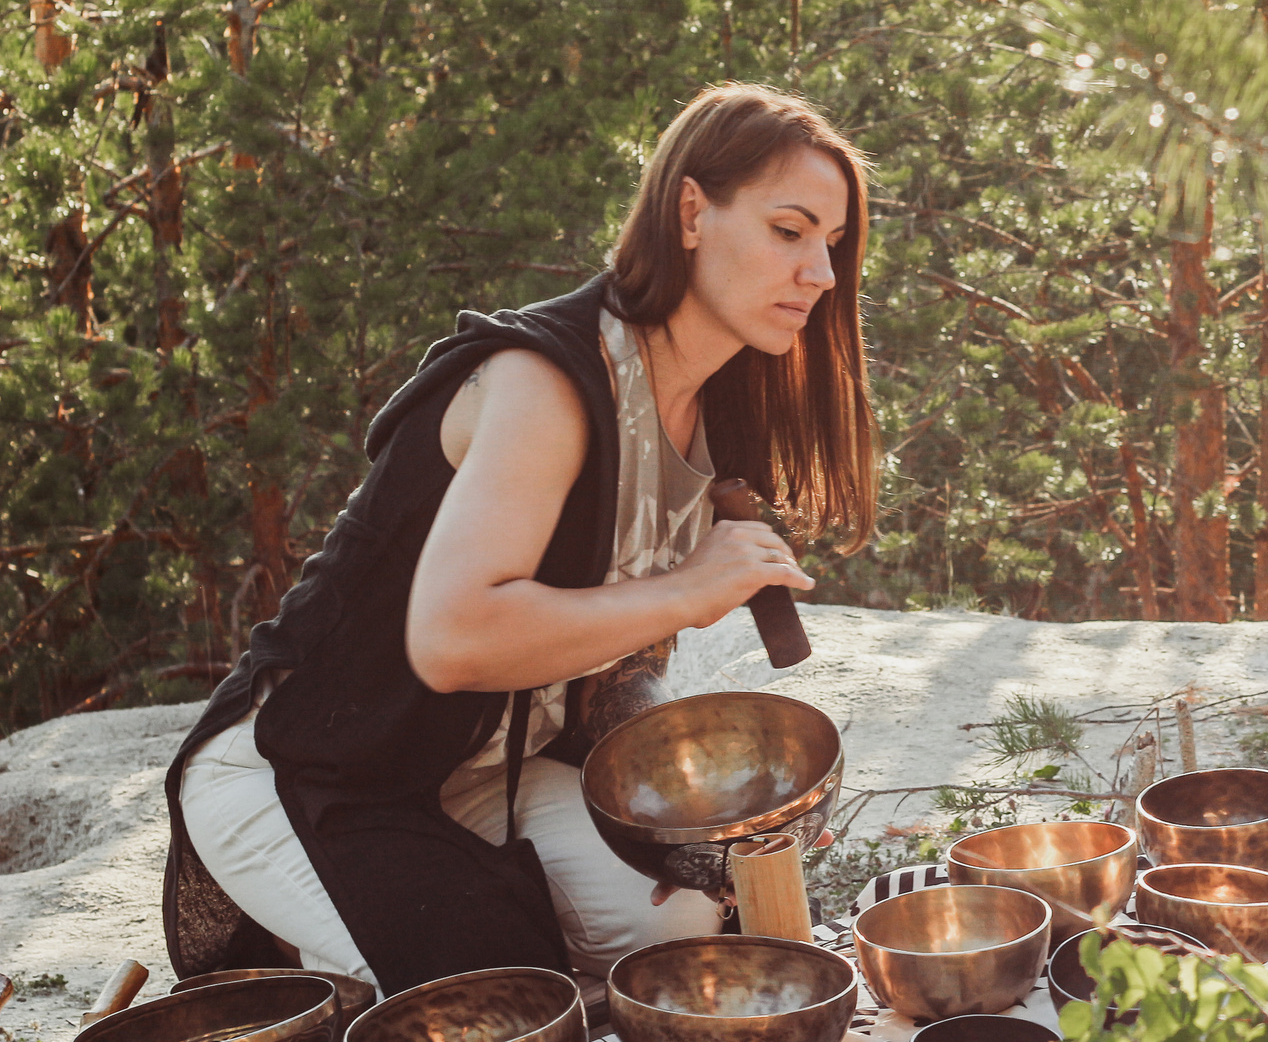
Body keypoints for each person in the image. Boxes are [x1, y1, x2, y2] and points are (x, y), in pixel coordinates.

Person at [161, 83, 876, 995]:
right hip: (311, 761)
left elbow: (613, 649)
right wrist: (688, 590)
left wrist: (690, 815)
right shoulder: (545, 379)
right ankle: (327, 944)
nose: (819, 270)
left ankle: (407, 917)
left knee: (685, 919)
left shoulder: (717, 406)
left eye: (833, 242)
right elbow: (454, 637)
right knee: (496, 1010)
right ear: (692, 212)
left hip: (474, 767)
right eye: (790, 230)